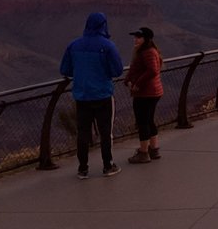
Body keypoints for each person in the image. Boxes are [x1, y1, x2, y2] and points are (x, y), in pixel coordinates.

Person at [60, 12, 125, 179]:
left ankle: (82, 169)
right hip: (103, 95)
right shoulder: (108, 46)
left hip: (82, 96)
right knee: (105, 132)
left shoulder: (74, 45)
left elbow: (65, 70)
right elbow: (117, 70)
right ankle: (108, 166)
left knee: (82, 133)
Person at [124, 26, 164, 164]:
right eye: (135, 36)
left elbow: (152, 70)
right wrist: (127, 79)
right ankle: (154, 149)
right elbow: (136, 68)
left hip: (146, 93)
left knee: (142, 122)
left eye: (138, 37)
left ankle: (143, 153)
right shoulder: (145, 51)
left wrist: (137, 84)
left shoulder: (147, 52)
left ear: (146, 39)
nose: (135, 39)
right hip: (152, 92)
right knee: (149, 120)